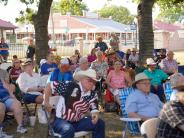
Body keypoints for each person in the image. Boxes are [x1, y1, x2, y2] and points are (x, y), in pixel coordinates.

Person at [44, 69, 105, 138]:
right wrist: (46, 102)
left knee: (99, 123)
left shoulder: (92, 94)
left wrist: (95, 115)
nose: (92, 83)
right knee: (68, 129)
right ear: (82, 79)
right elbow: (49, 85)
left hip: (78, 122)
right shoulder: (70, 86)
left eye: (94, 82)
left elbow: (94, 109)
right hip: (60, 121)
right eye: (89, 80)